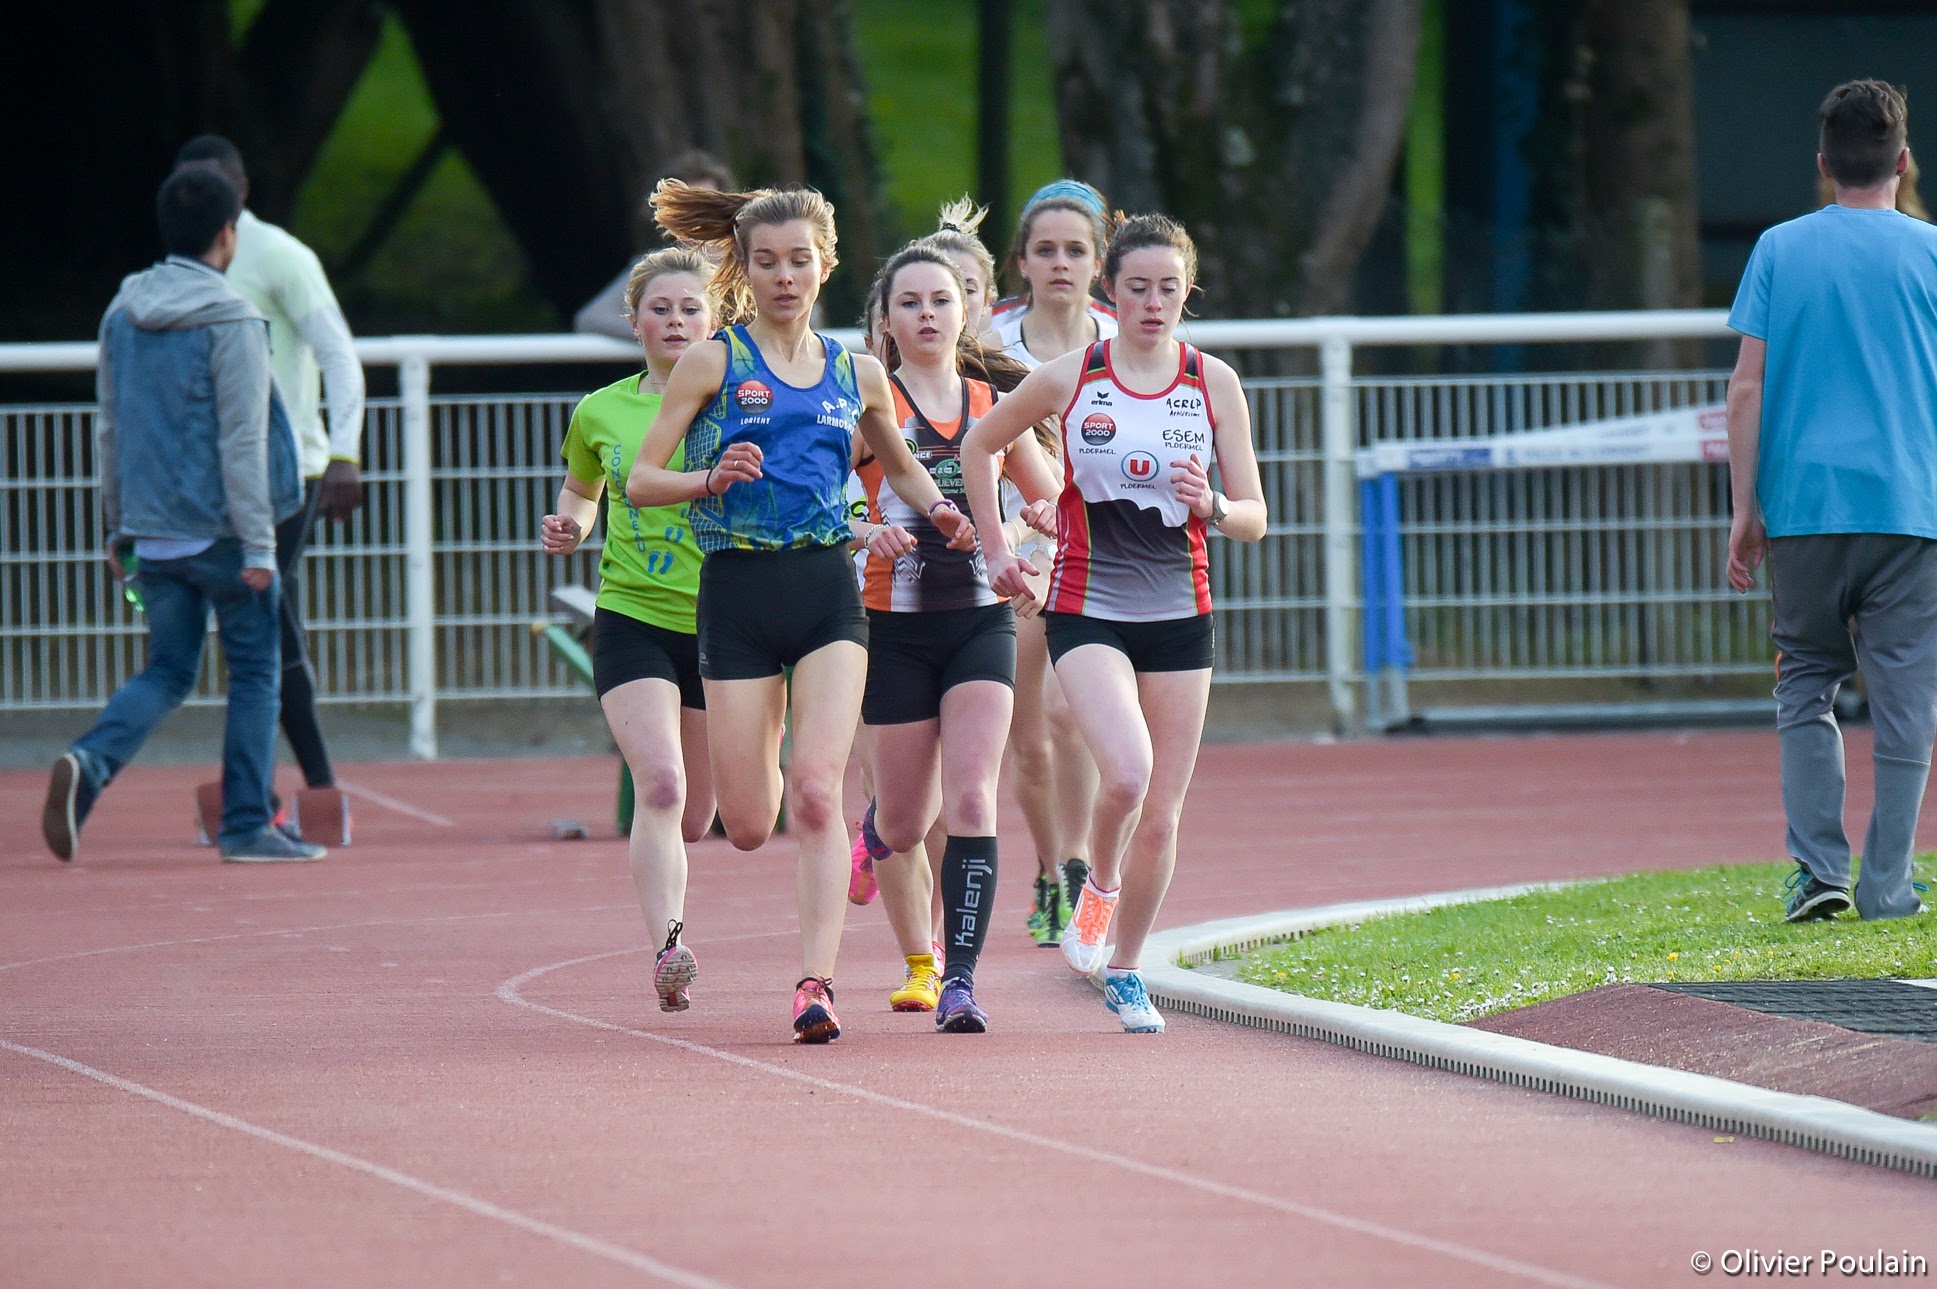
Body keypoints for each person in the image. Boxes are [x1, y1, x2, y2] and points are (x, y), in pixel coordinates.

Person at [625, 181, 975, 1043]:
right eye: (767, 262)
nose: (785, 276)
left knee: (818, 793)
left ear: (826, 266)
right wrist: (708, 478)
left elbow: (898, 463)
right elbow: (640, 481)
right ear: (743, 271)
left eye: (799, 261)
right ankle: (772, 756)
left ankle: (815, 985)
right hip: (737, 593)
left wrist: (940, 510)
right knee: (749, 822)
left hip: (826, 591)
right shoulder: (713, 362)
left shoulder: (857, 373)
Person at [962, 214, 1268, 1033]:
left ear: (1187, 294)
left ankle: (1127, 971)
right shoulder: (1072, 376)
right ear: (1111, 291)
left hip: (1180, 610)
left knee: (1162, 810)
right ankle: (1096, 885)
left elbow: (1254, 517)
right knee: (1126, 774)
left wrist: (1212, 504)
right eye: (1137, 288)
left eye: (1169, 289)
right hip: (1087, 605)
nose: (1153, 303)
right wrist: (995, 547)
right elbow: (979, 444)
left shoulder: (1213, 382)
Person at [41, 166, 318, 864]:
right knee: (254, 670)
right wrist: (260, 545)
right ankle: (246, 824)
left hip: (153, 532)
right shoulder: (234, 319)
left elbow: (110, 427)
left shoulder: (121, 311)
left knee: (166, 671)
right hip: (223, 534)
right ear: (228, 234)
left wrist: (118, 526)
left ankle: (89, 761)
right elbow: (243, 440)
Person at [1727, 79, 1937, 925]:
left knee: (1806, 680)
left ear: (1822, 163)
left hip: (1804, 504)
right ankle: (1888, 885)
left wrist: (1744, 509)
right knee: (1905, 697)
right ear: (1903, 160)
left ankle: (1819, 871)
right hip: (1910, 506)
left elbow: (1746, 390)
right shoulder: (1930, 254)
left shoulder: (1778, 249)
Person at [848, 242, 1057, 1030]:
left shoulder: (992, 405)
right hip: (893, 628)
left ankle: (959, 980)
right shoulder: (871, 408)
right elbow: (825, 506)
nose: (927, 314)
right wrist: (867, 531)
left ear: (965, 310)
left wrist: (1021, 532)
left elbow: (1049, 505)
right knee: (906, 822)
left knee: (971, 796)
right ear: (885, 320)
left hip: (978, 624)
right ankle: (874, 830)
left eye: (940, 299)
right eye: (909, 302)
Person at [541, 247, 720, 1012]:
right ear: (635, 321)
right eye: (660, 309)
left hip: (722, 624)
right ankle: (668, 947)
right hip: (631, 615)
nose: (675, 321)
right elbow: (580, 493)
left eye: (690, 308)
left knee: (700, 815)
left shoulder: (738, 404)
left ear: (715, 320)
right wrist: (570, 526)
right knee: (662, 783)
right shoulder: (600, 411)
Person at [174, 135, 366, 817]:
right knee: (261, 621)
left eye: (214, 186)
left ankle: (291, 787)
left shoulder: (281, 256)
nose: (203, 200)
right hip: (218, 474)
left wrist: (344, 452)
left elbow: (338, 354)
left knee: (260, 618)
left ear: (242, 189)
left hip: (291, 470)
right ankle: (301, 787)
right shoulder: (184, 265)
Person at [988, 180, 1117, 947]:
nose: (1060, 262)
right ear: (1022, 262)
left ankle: (1076, 865)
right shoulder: (988, 340)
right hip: (1018, 550)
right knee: (1029, 733)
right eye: (1045, 250)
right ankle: (1047, 868)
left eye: (1075, 250)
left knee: (1075, 715)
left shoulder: (1122, 337)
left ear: (1099, 263)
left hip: (1105, 552)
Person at [574, 150, 738, 340]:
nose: (699, 216)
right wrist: (659, 333)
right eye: (687, 207)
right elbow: (591, 318)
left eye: (708, 205)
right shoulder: (655, 268)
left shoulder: (751, 261)